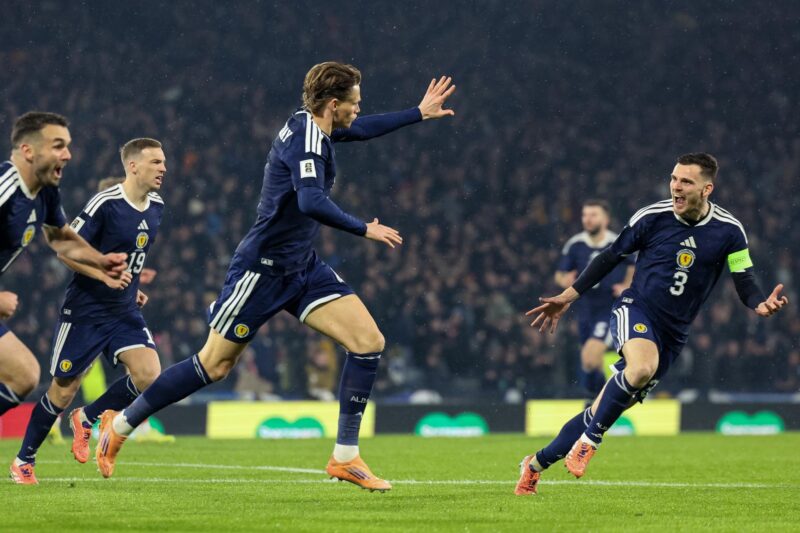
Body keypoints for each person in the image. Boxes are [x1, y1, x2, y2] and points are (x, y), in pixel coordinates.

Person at [95, 63, 456, 491]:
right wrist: (365, 228)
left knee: (368, 342)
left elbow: (360, 130)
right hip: (260, 271)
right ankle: (119, 425)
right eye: (355, 103)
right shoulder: (306, 141)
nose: (360, 110)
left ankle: (345, 457)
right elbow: (310, 201)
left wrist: (417, 112)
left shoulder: (315, 126)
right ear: (334, 104)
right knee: (213, 366)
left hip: (302, 267)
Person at [515, 153, 789, 495]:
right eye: (674, 178)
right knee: (642, 368)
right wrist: (568, 297)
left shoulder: (730, 231)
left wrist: (759, 303)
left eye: (686, 181)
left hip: (674, 333)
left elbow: (743, 276)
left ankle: (534, 464)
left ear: (707, 189)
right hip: (637, 309)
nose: (675, 186)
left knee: (601, 408)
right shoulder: (652, 217)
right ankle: (591, 441)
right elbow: (610, 256)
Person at [10, 138, 166, 484]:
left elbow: (132, 258)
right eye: (155, 162)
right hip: (86, 311)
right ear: (133, 166)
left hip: (123, 311)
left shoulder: (157, 206)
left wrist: (133, 287)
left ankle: (89, 416)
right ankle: (24, 460)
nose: (163, 169)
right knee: (62, 390)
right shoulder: (104, 204)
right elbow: (65, 252)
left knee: (149, 375)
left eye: (163, 162)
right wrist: (102, 277)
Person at [0, 112, 127, 424]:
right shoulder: (4, 187)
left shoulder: (44, 192)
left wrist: (100, 260)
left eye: (67, 146)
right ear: (28, 151)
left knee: (24, 375)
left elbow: (60, 237)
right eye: (58, 146)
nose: (68, 155)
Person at [555, 199, 634, 397]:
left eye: (593, 215)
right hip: (585, 309)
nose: (587, 220)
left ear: (605, 219)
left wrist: (626, 285)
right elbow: (559, 274)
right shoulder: (575, 244)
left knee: (590, 357)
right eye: (585, 215)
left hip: (609, 308)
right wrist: (564, 280)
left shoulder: (617, 242)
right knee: (589, 363)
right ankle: (597, 400)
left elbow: (634, 265)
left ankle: (603, 399)